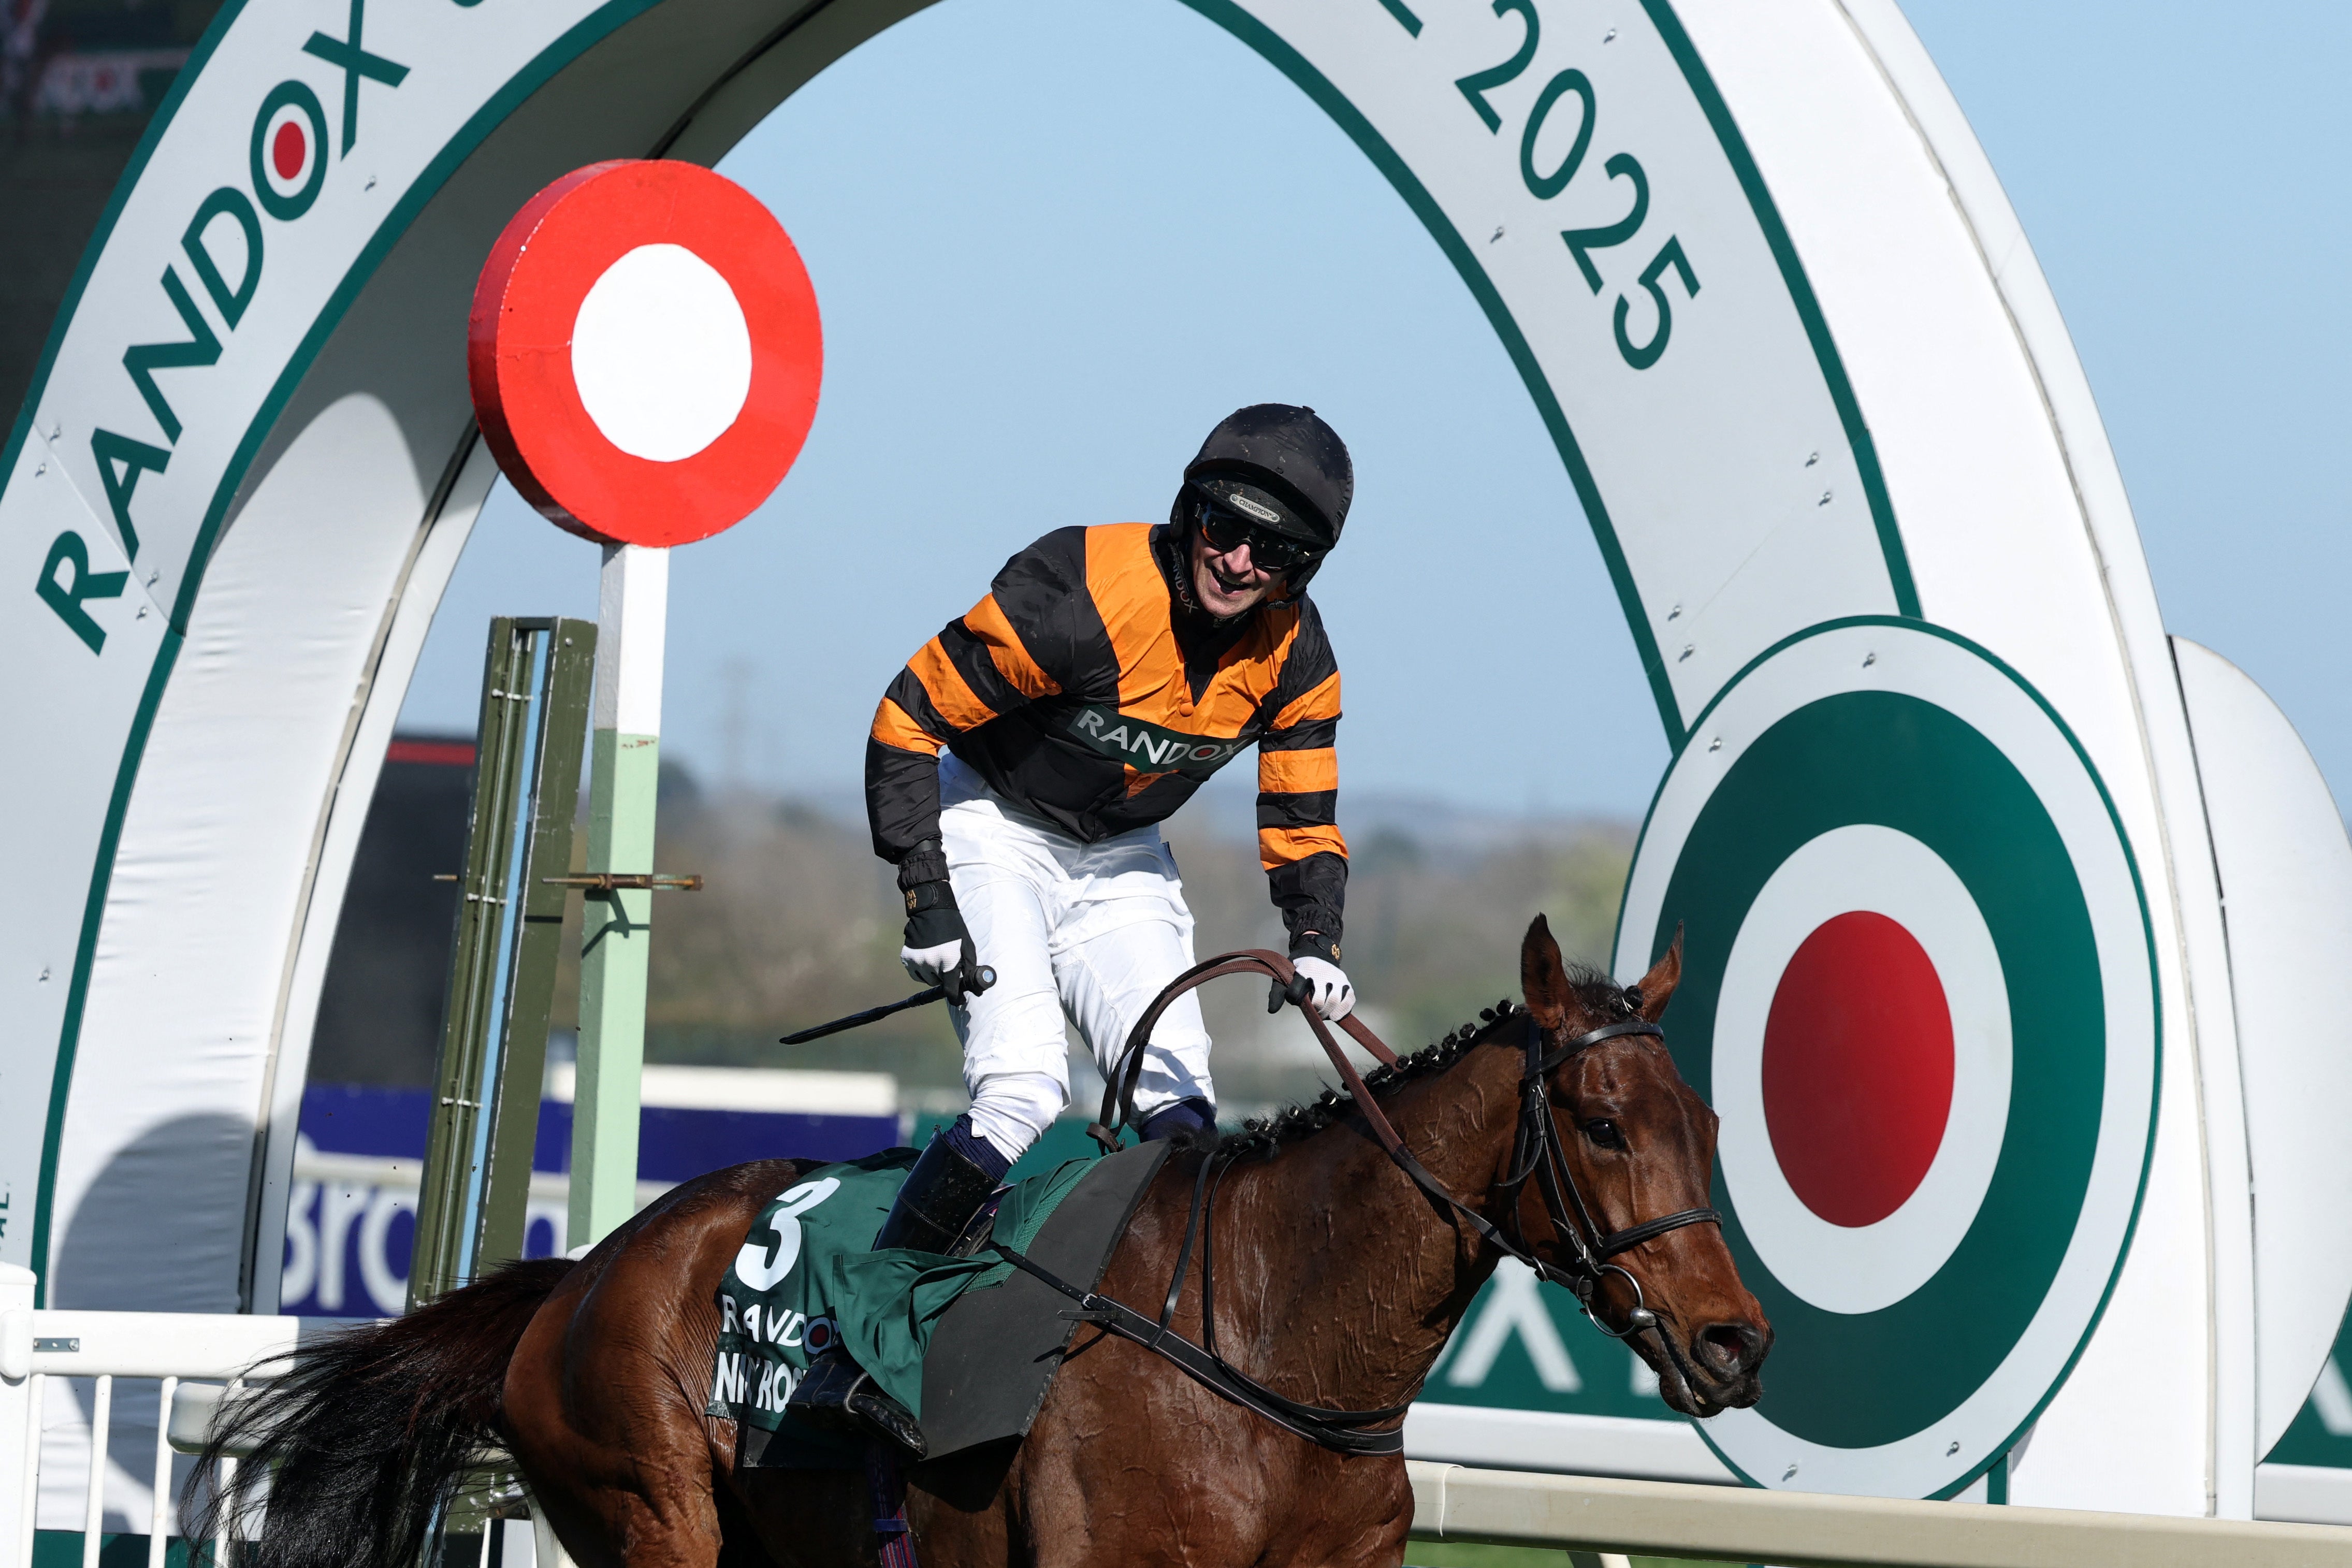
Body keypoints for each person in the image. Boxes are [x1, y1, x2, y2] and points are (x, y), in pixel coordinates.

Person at [788, 404, 1359, 1451]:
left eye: (1272, 552)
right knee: (1021, 1093)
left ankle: (1158, 1361)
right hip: (989, 820)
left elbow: (1302, 813)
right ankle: (855, 1354)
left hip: (1120, 854)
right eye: (1225, 529)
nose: (1238, 562)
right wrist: (927, 894)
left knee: (1180, 1108)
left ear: (1302, 570)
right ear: (1189, 511)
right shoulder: (1078, 592)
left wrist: (1316, 939)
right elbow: (907, 717)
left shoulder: (1296, 653)